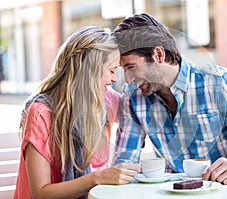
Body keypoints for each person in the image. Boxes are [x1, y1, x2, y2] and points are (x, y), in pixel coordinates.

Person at [111, 14, 227, 185]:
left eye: (131, 67)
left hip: (226, 192)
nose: (128, 79)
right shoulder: (133, 96)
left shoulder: (220, 83)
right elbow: (124, 161)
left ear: (158, 54)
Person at [14, 26, 140, 199]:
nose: (115, 79)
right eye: (111, 70)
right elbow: (40, 193)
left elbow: (139, 109)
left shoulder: (105, 99)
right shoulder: (41, 113)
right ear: (89, 70)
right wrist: (97, 178)